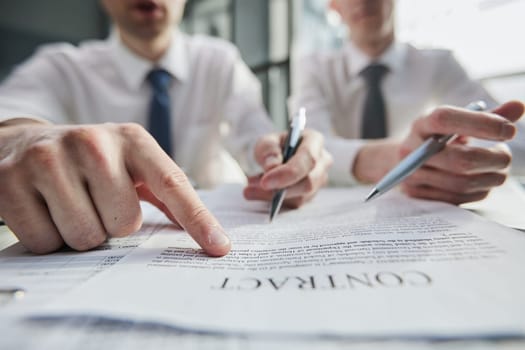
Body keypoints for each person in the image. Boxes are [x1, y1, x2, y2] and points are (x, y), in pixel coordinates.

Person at [0, 0, 332, 256]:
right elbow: (10, 123)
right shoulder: (59, 68)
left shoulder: (220, 61)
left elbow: (256, 137)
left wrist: (282, 160)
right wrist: (22, 138)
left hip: (216, 234)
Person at [291, 0, 524, 204]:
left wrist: (460, 157)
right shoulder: (314, 68)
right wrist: (396, 157)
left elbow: (518, 141)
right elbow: (307, 147)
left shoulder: (438, 64)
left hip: (421, 205)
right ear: (334, 5)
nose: (362, 0)